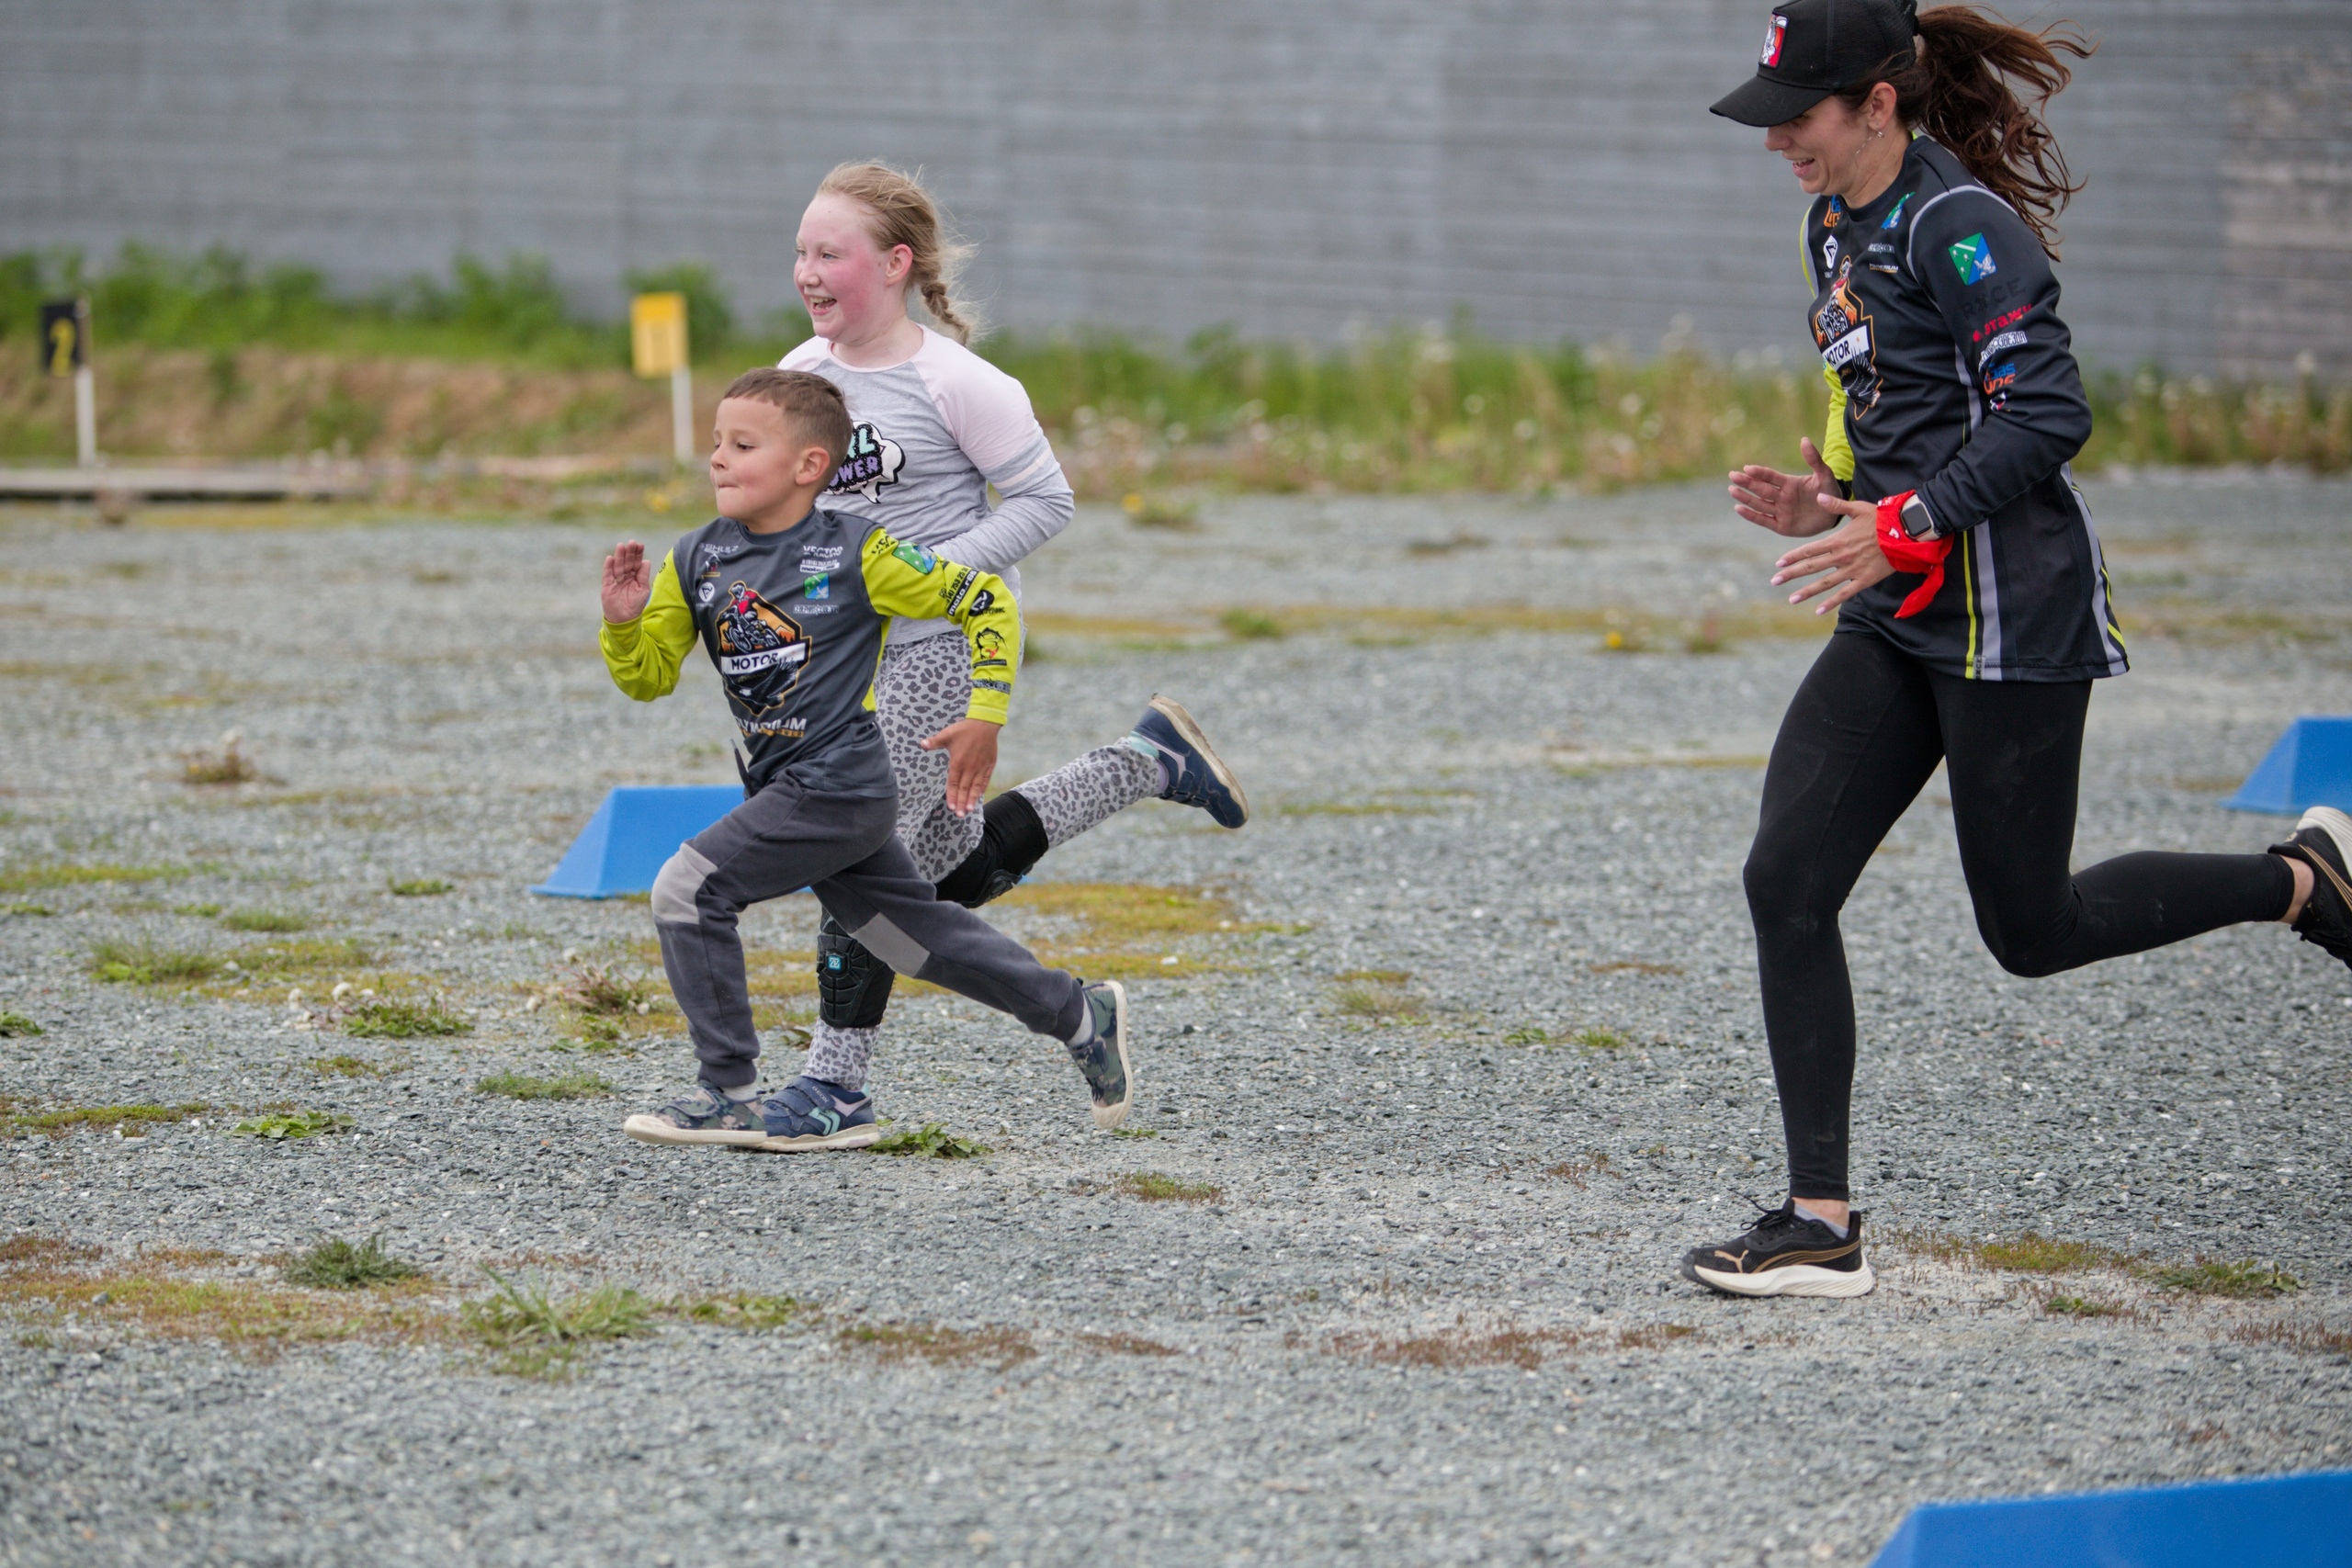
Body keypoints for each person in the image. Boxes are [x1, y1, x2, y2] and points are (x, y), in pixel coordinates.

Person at [1686, 0, 2352, 1298]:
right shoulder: (1837, 220)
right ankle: (1819, 1221)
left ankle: (2302, 878)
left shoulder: (1961, 225)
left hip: (2010, 613)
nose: (1777, 143)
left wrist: (1907, 523)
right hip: (1900, 599)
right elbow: (1875, 395)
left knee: (2032, 928)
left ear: (1878, 102)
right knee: (1787, 874)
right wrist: (1826, 490)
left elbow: (2048, 413)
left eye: (1799, 118)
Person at [776, 162, 1246, 1121]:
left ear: (895, 263)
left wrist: (939, 574)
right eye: (800, 252)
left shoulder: (959, 382)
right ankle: (1142, 761)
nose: (807, 271)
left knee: (862, 865)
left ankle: (833, 1085)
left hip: (949, 647)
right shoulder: (798, 376)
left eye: (831, 253)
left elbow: (1047, 499)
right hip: (848, 661)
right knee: (947, 871)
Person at [599, 367, 1136, 1150]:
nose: (717, 458)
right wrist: (622, 624)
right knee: (914, 939)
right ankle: (1082, 1015)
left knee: (687, 889)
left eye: (742, 444)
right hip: (784, 788)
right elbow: (648, 678)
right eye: (715, 441)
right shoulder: (697, 560)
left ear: (809, 466)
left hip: (841, 789)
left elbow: (985, 601)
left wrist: (985, 713)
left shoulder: (859, 552)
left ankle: (728, 1091)